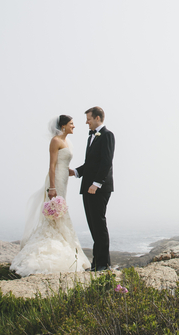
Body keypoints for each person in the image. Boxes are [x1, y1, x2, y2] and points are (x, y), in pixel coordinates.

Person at [11, 115, 91, 276]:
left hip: (64, 178)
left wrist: (71, 172)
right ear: (63, 126)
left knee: (61, 210)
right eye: (71, 124)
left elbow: (63, 163)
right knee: (57, 211)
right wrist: (52, 187)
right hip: (56, 180)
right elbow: (52, 166)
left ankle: (63, 241)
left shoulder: (67, 141)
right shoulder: (55, 141)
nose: (74, 126)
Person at [70, 106, 115, 271]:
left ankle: (103, 264)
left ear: (97, 118)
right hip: (88, 187)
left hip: (98, 188)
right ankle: (97, 263)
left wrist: (96, 184)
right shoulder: (92, 136)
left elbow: (106, 161)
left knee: (99, 225)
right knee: (93, 225)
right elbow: (91, 163)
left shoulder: (107, 135)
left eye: (88, 119)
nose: (86, 122)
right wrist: (76, 172)